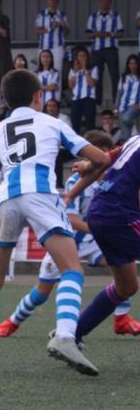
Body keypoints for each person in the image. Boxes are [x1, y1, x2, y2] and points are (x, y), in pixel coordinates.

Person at [0, 68, 110, 376]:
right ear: (38, 97)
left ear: (5, 99)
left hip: (6, 198)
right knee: (72, 269)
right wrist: (85, 165)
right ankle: (66, 337)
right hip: (42, 194)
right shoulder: (52, 122)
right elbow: (102, 158)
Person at [0, 131, 140, 338]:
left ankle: (92, 328)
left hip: (99, 232)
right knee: (42, 290)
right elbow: (71, 218)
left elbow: (108, 159)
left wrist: (88, 172)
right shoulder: (78, 180)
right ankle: (13, 321)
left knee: (127, 284)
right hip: (72, 240)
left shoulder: (129, 146)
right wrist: (72, 195)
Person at [65, 133, 140, 350]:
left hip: (101, 213)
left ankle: (71, 335)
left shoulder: (134, 139)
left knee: (126, 287)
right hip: (119, 216)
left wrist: (70, 195)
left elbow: (103, 161)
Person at [86, 0, 124, 104]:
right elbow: (88, 34)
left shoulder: (116, 16)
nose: (105, 3)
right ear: (100, 1)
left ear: (110, 2)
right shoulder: (93, 17)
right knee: (97, 75)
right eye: (103, 1)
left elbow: (121, 33)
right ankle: (98, 102)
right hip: (97, 50)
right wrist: (96, 34)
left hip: (111, 49)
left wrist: (110, 34)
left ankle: (116, 102)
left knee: (114, 75)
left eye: (107, 1)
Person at [35, 0, 70, 76]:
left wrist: (63, 25)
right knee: (42, 71)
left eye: (55, 0)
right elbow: (37, 31)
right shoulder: (41, 14)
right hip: (43, 47)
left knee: (57, 72)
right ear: (47, 1)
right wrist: (51, 28)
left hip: (57, 47)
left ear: (58, 2)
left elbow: (68, 32)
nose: (52, 2)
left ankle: (57, 89)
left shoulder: (62, 15)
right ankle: (43, 89)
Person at [69, 46, 99, 133]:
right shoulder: (73, 70)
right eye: (80, 56)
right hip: (76, 99)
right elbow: (71, 85)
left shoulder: (93, 68)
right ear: (77, 57)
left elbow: (92, 84)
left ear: (87, 57)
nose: (82, 58)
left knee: (90, 124)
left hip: (89, 98)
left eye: (84, 55)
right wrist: (74, 72)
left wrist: (85, 70)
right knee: (75, 124)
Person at [47, 99, 72, 188]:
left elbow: (67, 136)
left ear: (58, 108)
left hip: (65, 149)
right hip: (49, 149)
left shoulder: (64, 118)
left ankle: (59, 184)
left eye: (54, 106)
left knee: (57, 155)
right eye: (49, 106)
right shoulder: (43, 119)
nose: (51, 108)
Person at [116, 54, 140, 142]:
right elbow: (119, 92)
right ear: (128, 65)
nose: (133, 66)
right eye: (131, 63)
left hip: (134, 105)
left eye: (135, 63)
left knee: (125, 119)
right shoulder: (123, 76)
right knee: (126, 135)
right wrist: (116, 108)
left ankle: (134, 128)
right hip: (122, 106)